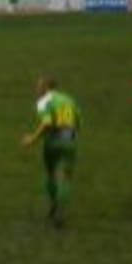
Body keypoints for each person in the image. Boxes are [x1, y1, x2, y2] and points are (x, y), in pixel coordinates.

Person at [21, 77, 81, 227]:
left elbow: (47, 122)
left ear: (47, 87)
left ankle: (54, 207)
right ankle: (61, 211)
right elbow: (78, 121)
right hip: (70, 142)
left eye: (39, 86)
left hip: (52, 142)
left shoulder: (44, 101)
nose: (37, 89)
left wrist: (32, 139)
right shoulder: (69, 100)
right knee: (66, 178)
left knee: (51, 174)